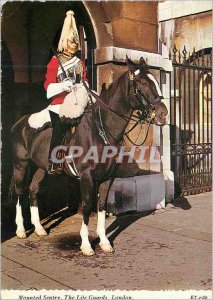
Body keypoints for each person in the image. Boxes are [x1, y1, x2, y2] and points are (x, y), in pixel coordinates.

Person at [44, 10, 87, 174]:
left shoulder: (80, 63)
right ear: (65, 41)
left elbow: (84, 82)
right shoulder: (56, 61)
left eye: (76, 42)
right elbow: (48, 87)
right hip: (59, 104)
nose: (75, 44)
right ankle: (54, 162)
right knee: (60, 127)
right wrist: (63, 86)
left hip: (77, 102)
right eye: (72, 41)